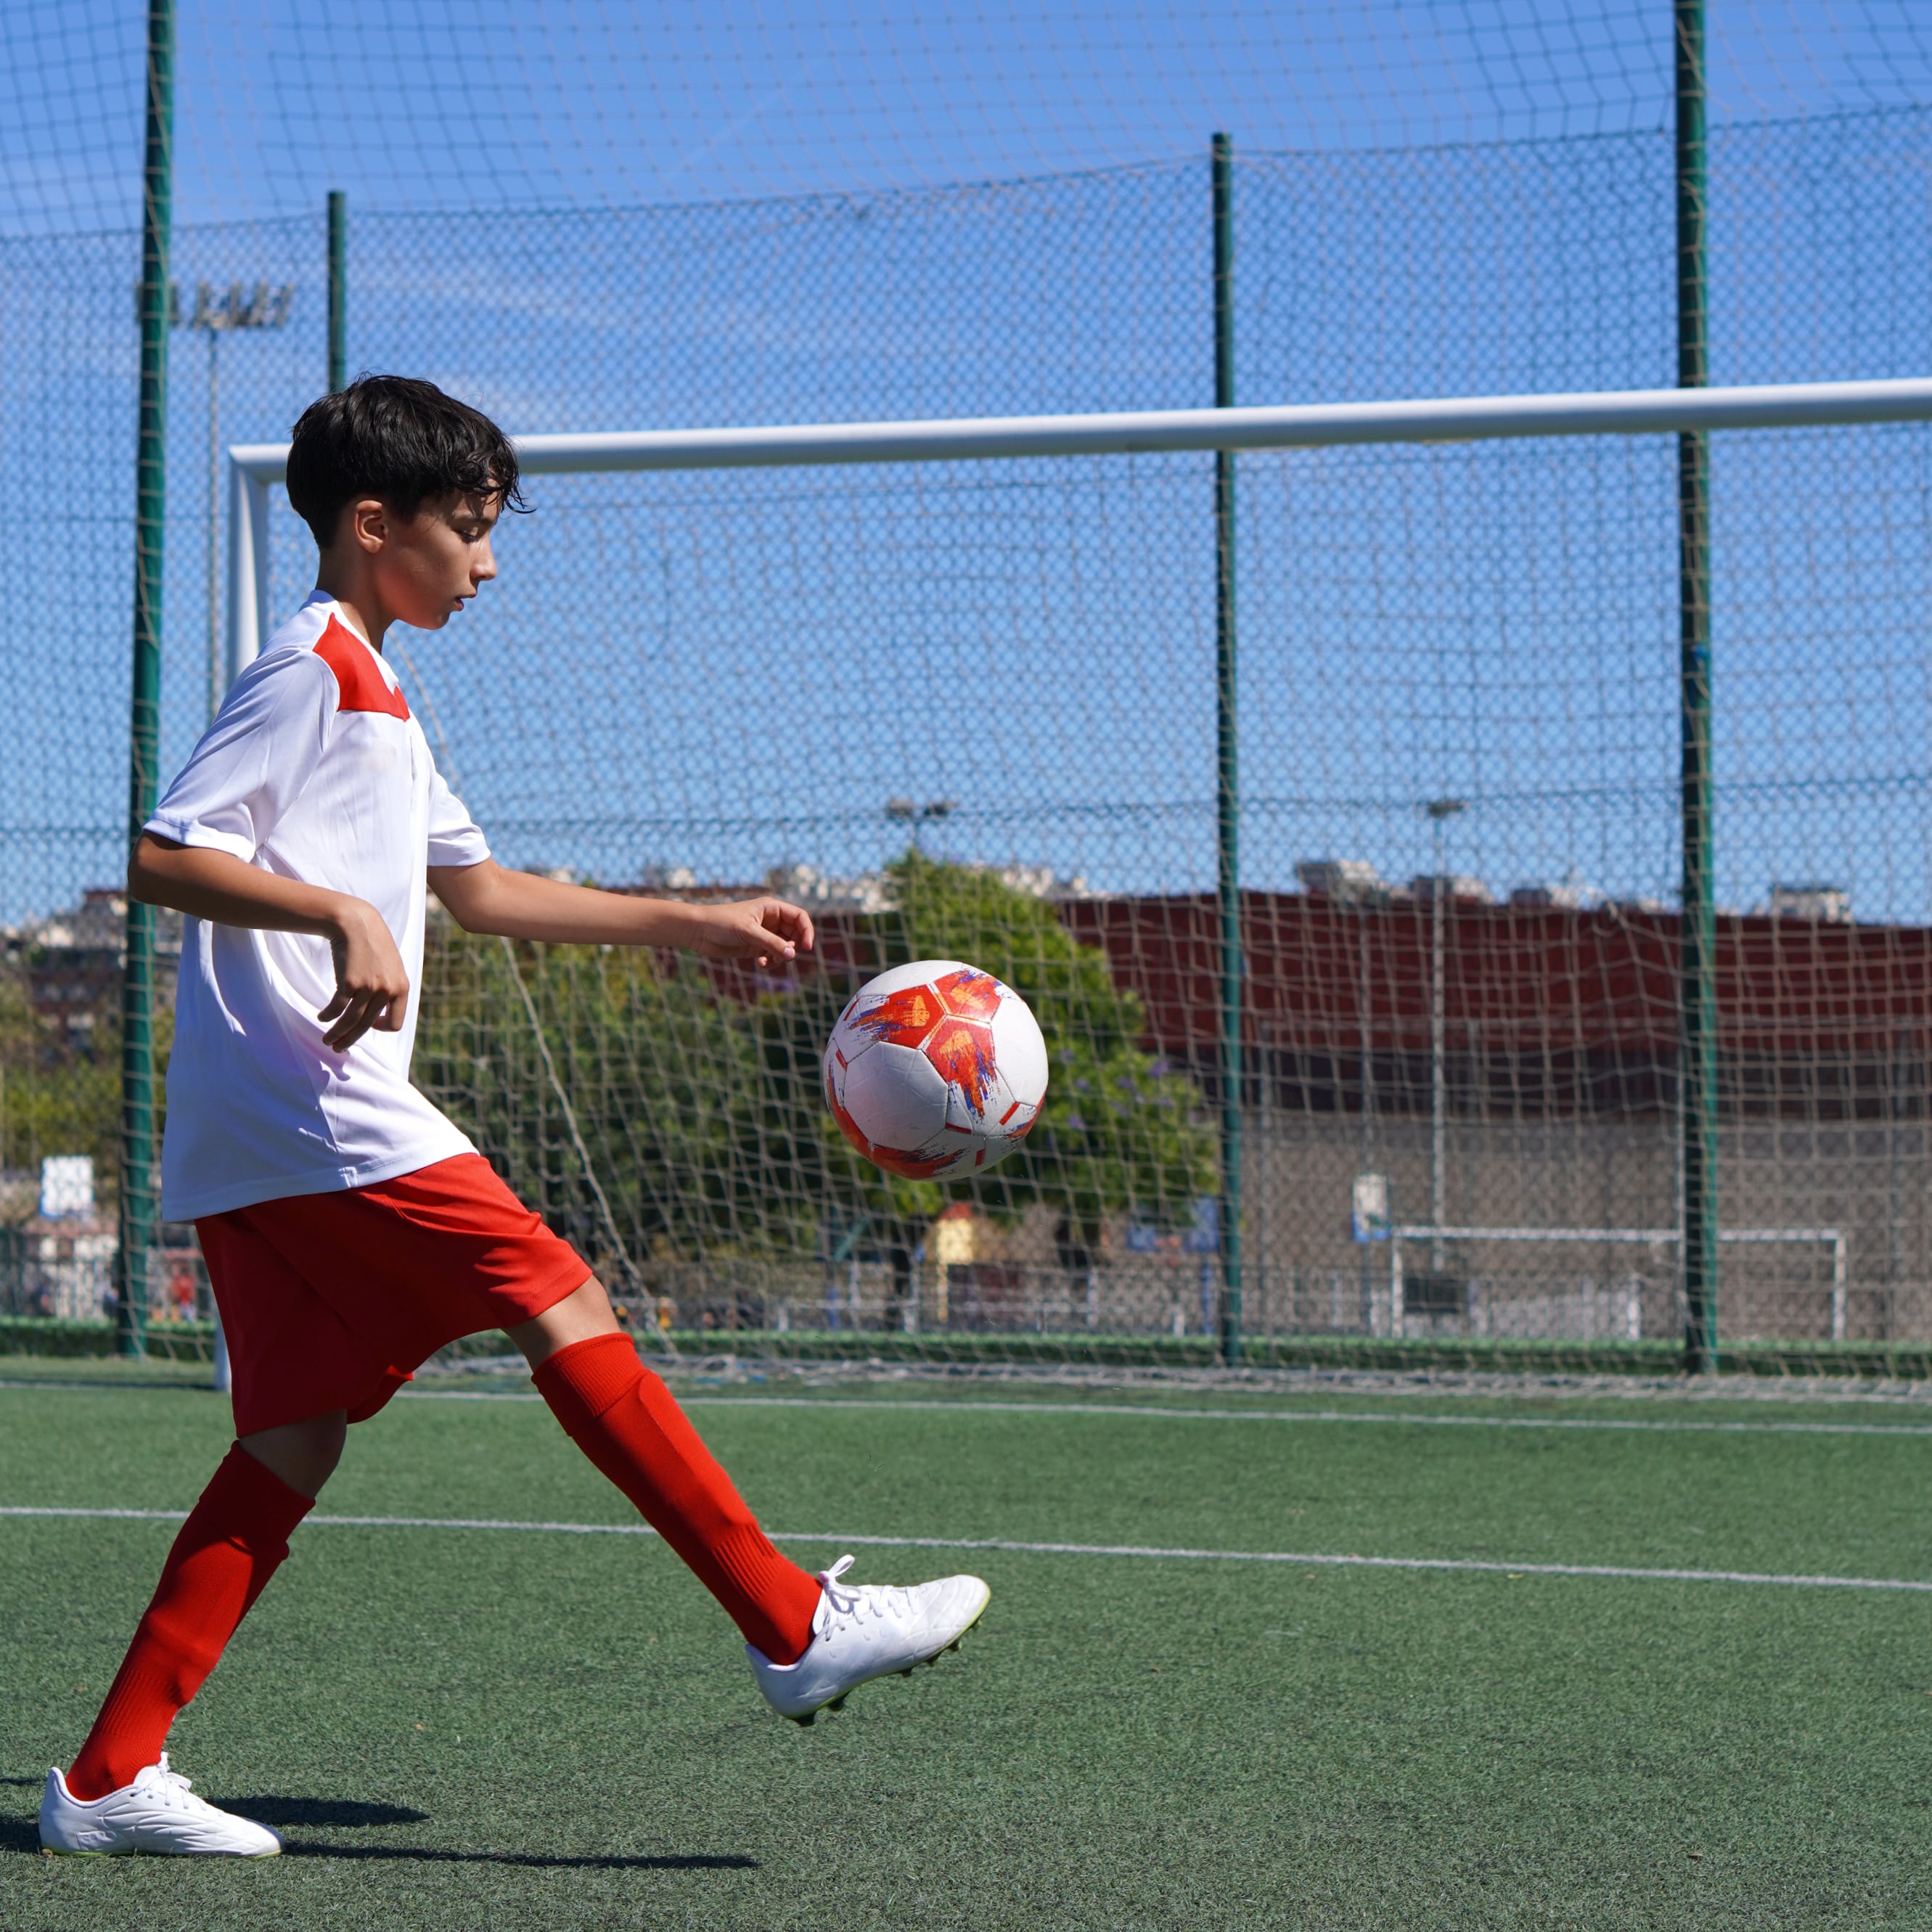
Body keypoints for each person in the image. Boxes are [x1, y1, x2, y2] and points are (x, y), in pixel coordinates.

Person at [39, 375, 988, 1859]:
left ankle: (106, 1775)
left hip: (252, 1129)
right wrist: (338, 909)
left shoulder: (385, 694)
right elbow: (163, 853)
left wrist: (690, 918)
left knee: (288, 1442)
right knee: (559, 1293)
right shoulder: (309, 671)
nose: (488, 561)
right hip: (313, 1099)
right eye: (468, 529)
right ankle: (790, 1620)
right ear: (374, 526)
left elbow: (480, 894)